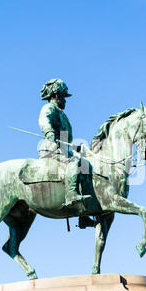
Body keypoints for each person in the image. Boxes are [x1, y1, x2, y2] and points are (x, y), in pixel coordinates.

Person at [38, 78, 91, 209]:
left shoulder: (62, 114)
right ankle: (70, 195)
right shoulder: (49, 108)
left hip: (62, 148)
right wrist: (49, 132)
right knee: (74, 161)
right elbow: (44, 120)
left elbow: (65, 140)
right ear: (56, 95)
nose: (65, 100)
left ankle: (82, 211)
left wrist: (74, 148)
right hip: (51, 148)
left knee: (85, 165)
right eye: (63, 96)